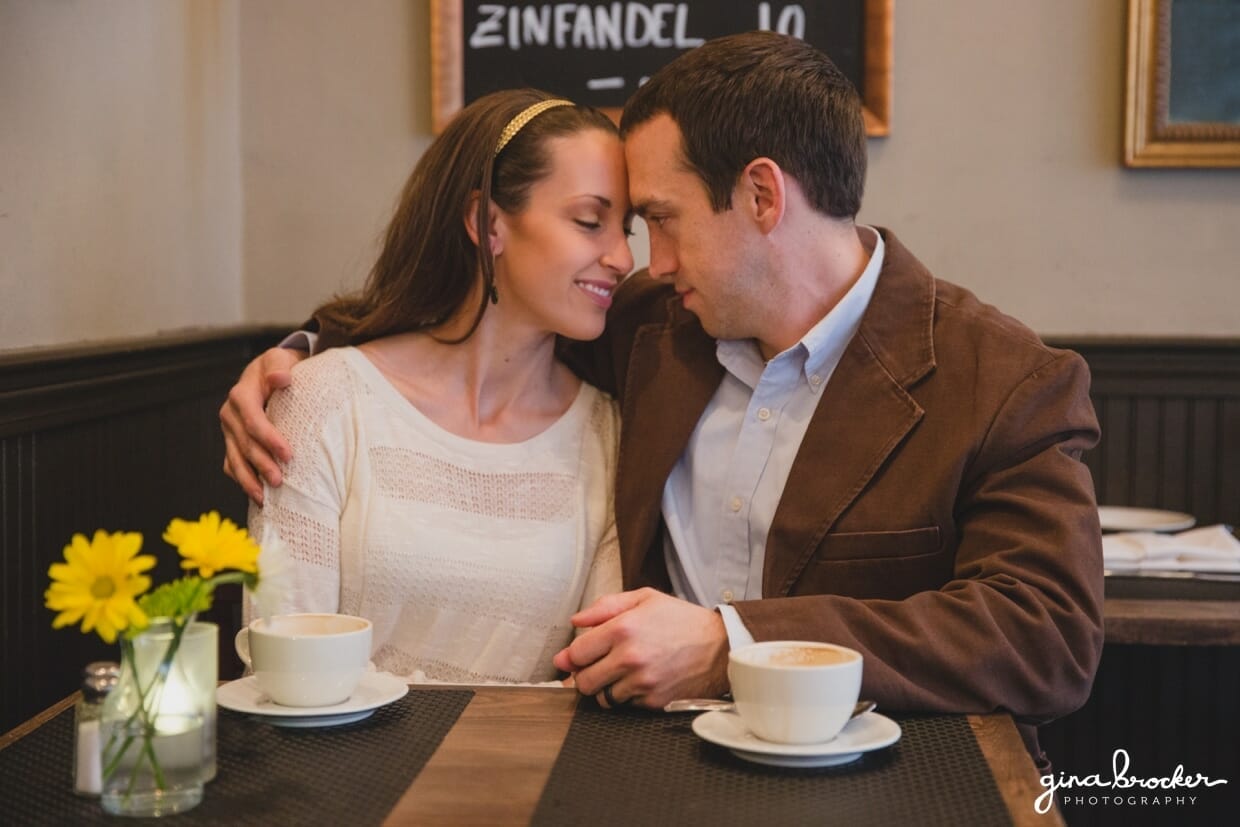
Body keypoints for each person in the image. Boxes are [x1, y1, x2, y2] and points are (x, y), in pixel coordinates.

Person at [222, 33, 1103, 762]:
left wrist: (732, 643)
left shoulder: (1001, 379)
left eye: (661, 219)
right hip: (630, 781)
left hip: (872, 789)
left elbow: (1047, 638)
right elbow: (467, 318)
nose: (646, 260)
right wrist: (299, 356)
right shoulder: (652, 328)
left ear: (761, 195)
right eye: (619, 225)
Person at [240, 88, 631, 684]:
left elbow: (598, 672)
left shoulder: (606, 432)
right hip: (340, 767)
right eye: (589, 222)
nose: (624, 257)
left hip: (535, 771)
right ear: (486, 222)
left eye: (624, 227)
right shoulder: (324, 400)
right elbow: (284, 664)